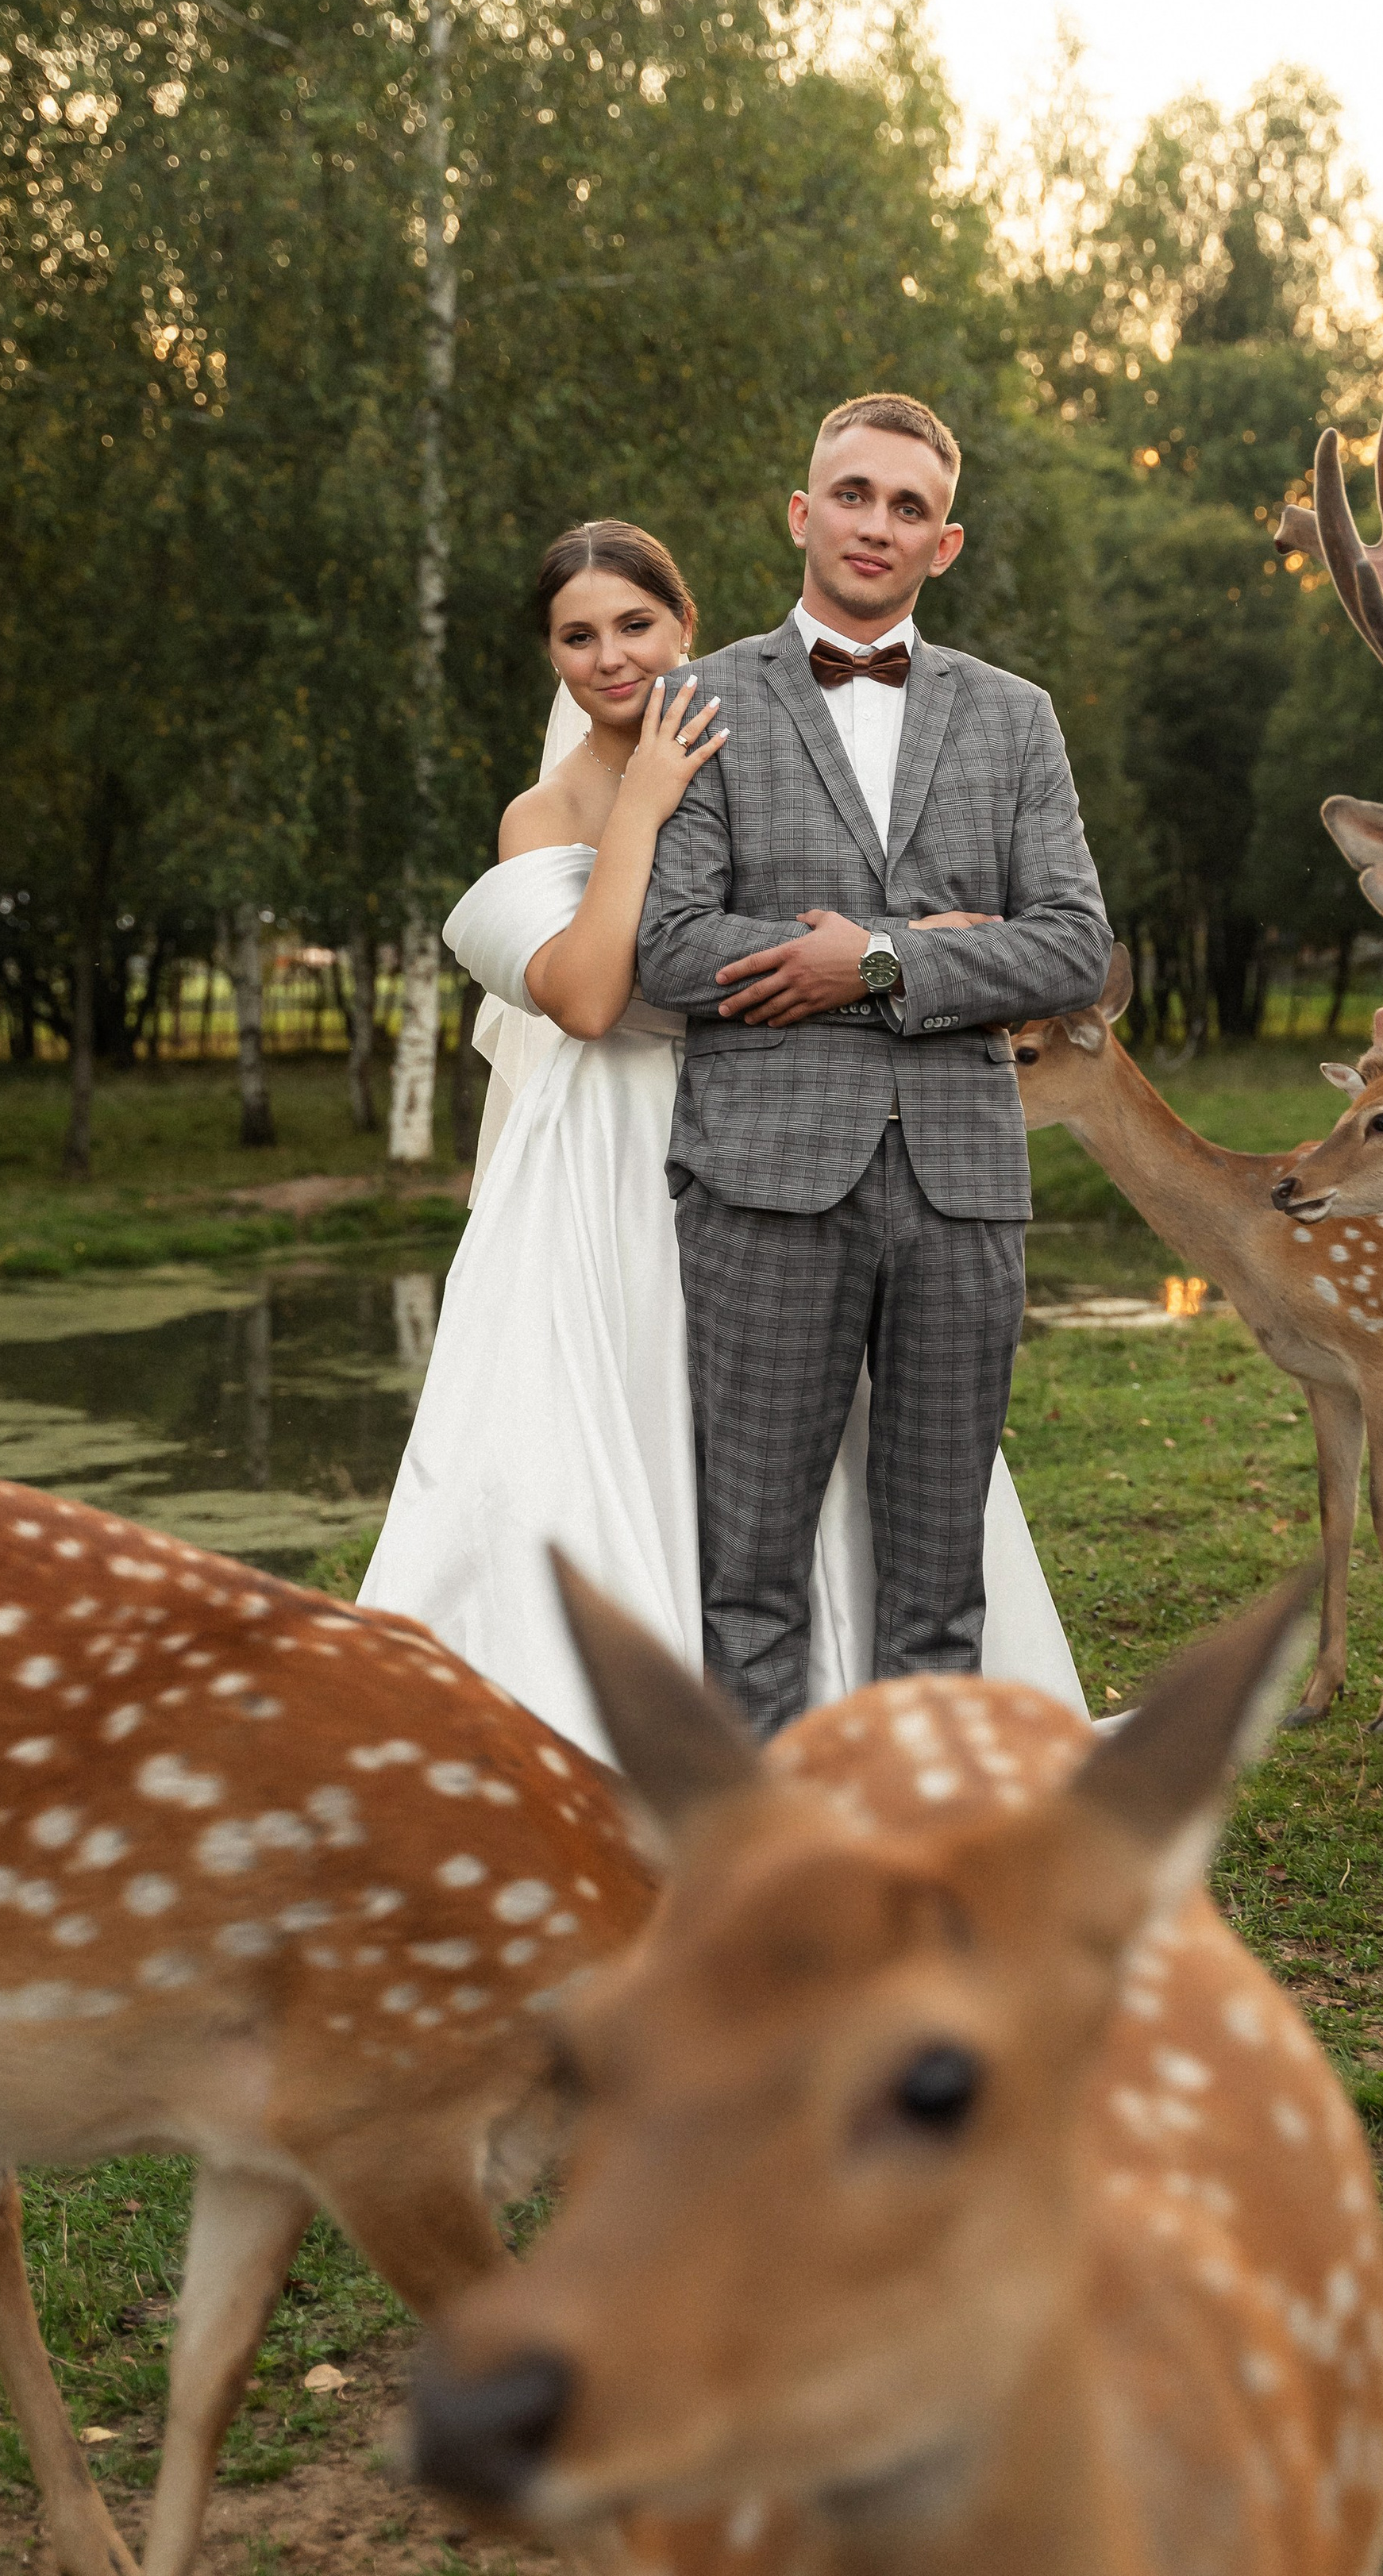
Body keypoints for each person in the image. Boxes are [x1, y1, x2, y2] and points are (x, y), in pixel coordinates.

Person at [357, 516, 1086, 1758]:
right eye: (577, 636)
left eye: (635, 625)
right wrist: (641, 806)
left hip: (787, 1134)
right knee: (626, 1453)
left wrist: (900, 949)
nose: (610, 658)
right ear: (549, 655)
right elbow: (591, 997)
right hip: (615, 1157)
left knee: (846, 1480)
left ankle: (874, 1742)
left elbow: (874, 921)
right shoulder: (545, 813)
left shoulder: (779, 739)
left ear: (685, 627)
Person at [637, 395, 1113, 1736]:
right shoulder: (703, 697)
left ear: (944, 544)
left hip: (964, 1190)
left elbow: (1078, 947)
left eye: (909, 507)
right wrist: (903, 956)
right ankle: (769, 1892)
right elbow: (668, 947)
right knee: (751, 1580)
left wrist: (885, 962)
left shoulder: (1015, 719)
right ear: (802, 513)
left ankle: (919, 1878)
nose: (876, 525)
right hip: (762, 1186)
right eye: (853, 494)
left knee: (935, 1584)